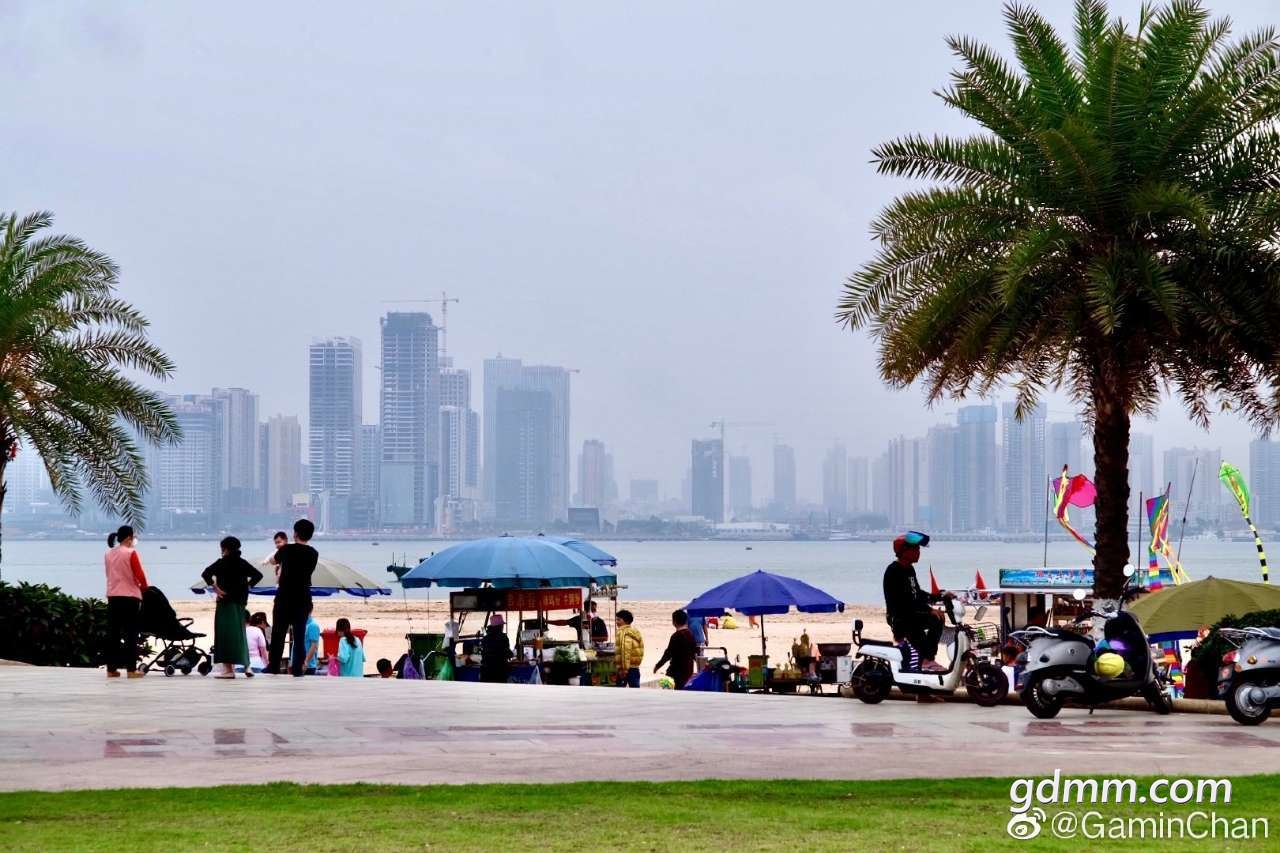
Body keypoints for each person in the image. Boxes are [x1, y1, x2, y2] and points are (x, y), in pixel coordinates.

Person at [882, 531, 948, 673]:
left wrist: (937, 597)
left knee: (938, 618)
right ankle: (927, 660)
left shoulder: (909, 569)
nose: (919, 553)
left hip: (911, 614)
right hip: (900, 617)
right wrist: (929, 610)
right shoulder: (894, 571)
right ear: (904, 552)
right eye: (915, 549)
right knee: (934, 619)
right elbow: (906, 600)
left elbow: (916, 593)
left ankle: (927, 659)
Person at [201, 536, 264, 679]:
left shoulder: (222, 563)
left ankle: (228, 670)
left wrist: (216, 588)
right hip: (240, 603)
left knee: (225, 636)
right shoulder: (242, 563)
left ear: (225, 549)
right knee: (239, 634)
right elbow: (258, 575)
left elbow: (206, 573)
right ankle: (247, 665)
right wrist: (247, 586)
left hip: (225, 603)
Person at [267, 519, 319, 676]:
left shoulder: (287, 549)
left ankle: (274, 666)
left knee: (278, 633)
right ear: (310, 535)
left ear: (295, 533)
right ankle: (297, 669)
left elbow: (273, 560)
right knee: (299, 635)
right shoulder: (313, 553)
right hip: (303, 597)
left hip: (284, 596)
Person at [103, 525, 149, 679]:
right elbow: (139, 574)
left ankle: (111, 669)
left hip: (113, 596)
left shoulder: (108, 553)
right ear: (129, 538)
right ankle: (131, 669)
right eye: (134, 537)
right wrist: (145, 588)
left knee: (113, 634)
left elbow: (108, 574)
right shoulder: (130, 552)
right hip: (130, 597)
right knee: (131, 634)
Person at [654, 609, 697, 689]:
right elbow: (695, 652)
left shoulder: (676, 636)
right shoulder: (690, 634)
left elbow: (668, 653)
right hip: (688, 669)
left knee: (669, 688)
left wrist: (658, 666)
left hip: (675, 670)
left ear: (674, 622)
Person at [615, 610, 644, 688]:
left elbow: (625, 651)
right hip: (635, 667)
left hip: (627, 669)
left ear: (626, 621)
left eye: (619, 620)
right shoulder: (635, 631)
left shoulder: (623, 632)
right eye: (616, 620)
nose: (617, 622)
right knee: (635, 691)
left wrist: (624, 670)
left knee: (619, 692)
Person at [480, 614, 512, 684]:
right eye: (502, 625)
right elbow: (507, 653)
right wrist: (512, 654)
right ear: (500, 626)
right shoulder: (503, 637)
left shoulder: (485, 638)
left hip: (486, 673)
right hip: (499, 672)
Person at [303, 603, 322, 675]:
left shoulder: (312, 626)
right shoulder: (301, 625)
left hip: (308, 666)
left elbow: (314, 646)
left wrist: (306, 662)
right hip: (299, 663)